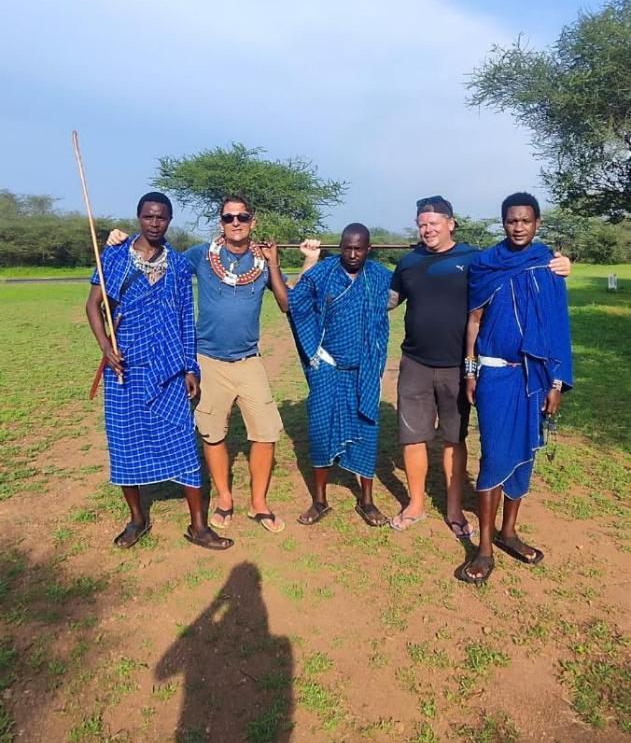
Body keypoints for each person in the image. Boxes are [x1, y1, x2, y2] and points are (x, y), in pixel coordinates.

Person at [388, 195, 571, 535]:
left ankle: (454, 509)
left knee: (454, 438)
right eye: (422, 224)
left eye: (434, 223)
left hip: (457, 366)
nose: (428, 229)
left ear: (451, 223)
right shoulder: (411, 262)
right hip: (416, 361)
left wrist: (562, 263)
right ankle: (415, 504)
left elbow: (519, 274)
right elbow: (390, 300)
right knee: (412, 437)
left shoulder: (475, 259)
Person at [106, 194, 289, 534]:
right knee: (212, 432)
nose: (236, 223)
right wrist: (123, 241)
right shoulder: (202, 255)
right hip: (208, 359)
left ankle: (259, 503)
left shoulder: (262, 261)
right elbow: (158, 258)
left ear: (253, 222)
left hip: (249, 360)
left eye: (242, 217)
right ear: (221, 223)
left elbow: (285, 303)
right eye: (229, 217)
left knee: (266, 432)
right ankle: (224, 499)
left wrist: (275, 263)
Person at [86, 192, 233, 552]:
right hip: (125, 367)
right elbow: (92, 306)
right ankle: (137, 519)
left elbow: (185, 319)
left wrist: (190, 368)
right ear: (139, 217)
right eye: (149, 217)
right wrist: (105, 347)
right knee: (124, 444)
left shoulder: (179, 265)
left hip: (169, 369)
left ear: (169, 220)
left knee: (183, 442)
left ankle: (198, 526)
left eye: (162, 217)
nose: (155, 223)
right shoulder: (114, 257)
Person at [460, 192, 573, 585]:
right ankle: (484, 548)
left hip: (534, 378)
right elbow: (474, 321)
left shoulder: (547, 265)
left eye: (526, 220)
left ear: (537, 223)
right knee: (494, 456)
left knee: (524, 456)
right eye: (512, 221)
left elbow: (557, 327)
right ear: (503, 222)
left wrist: (555, 382)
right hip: (495, 375)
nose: (518, 227)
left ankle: (508, 532)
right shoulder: (486, 264)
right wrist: (471, 371)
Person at [289, 226, 393, 526]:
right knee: (321, 428)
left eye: (359, 249)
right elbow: (295, 301)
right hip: (328, 367)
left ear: (369, 249)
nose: (352, 254)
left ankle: (367, 500)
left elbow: (399, 297)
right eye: (347, 247)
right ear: (340, 247)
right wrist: (309, 259)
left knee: (367, 428)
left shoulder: (380, 276)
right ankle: (320, 500)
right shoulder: (323, 272)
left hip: (364, 368)